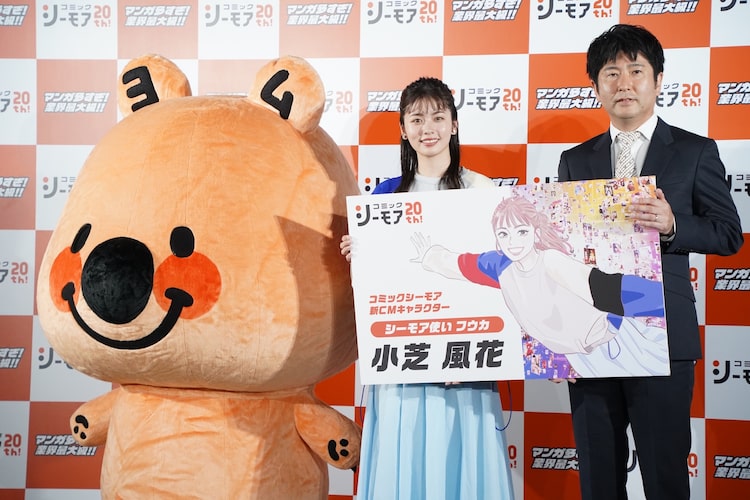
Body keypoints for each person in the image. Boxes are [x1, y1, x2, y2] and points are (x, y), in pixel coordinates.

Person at [557, 24, 743, 500]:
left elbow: (728, 234)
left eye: (636, 71)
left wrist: (674, 224)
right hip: (592, 337)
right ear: (596, 85)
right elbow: (563, 248)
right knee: (599, 479)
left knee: (665, 477)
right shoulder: (574, 160)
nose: (624, 83)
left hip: (663, 336)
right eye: (611, 73)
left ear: (657, 80)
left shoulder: (695, 151)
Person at [340, 77, 514, 499]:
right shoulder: (384, 196)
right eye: (416, 119)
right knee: (405, 463)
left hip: (465, 364)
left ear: (454, 124)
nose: (427, 128)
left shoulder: (482, 191)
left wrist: (470, 355)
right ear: (403, 129)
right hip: (402, 362)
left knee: (460, 468)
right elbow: (377, 285)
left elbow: (500, 276)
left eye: (438, 117)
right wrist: (358, 254)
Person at [410, 194, 670, 379]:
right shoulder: (501, 267)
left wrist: (665, 301)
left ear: (534, 232)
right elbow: (457, 264)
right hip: (583, 360)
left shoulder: (551, 262)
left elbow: (608, 290)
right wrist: (428, 257)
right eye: (504, 234)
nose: (513, 242)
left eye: (521, 232)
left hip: (620, 345)